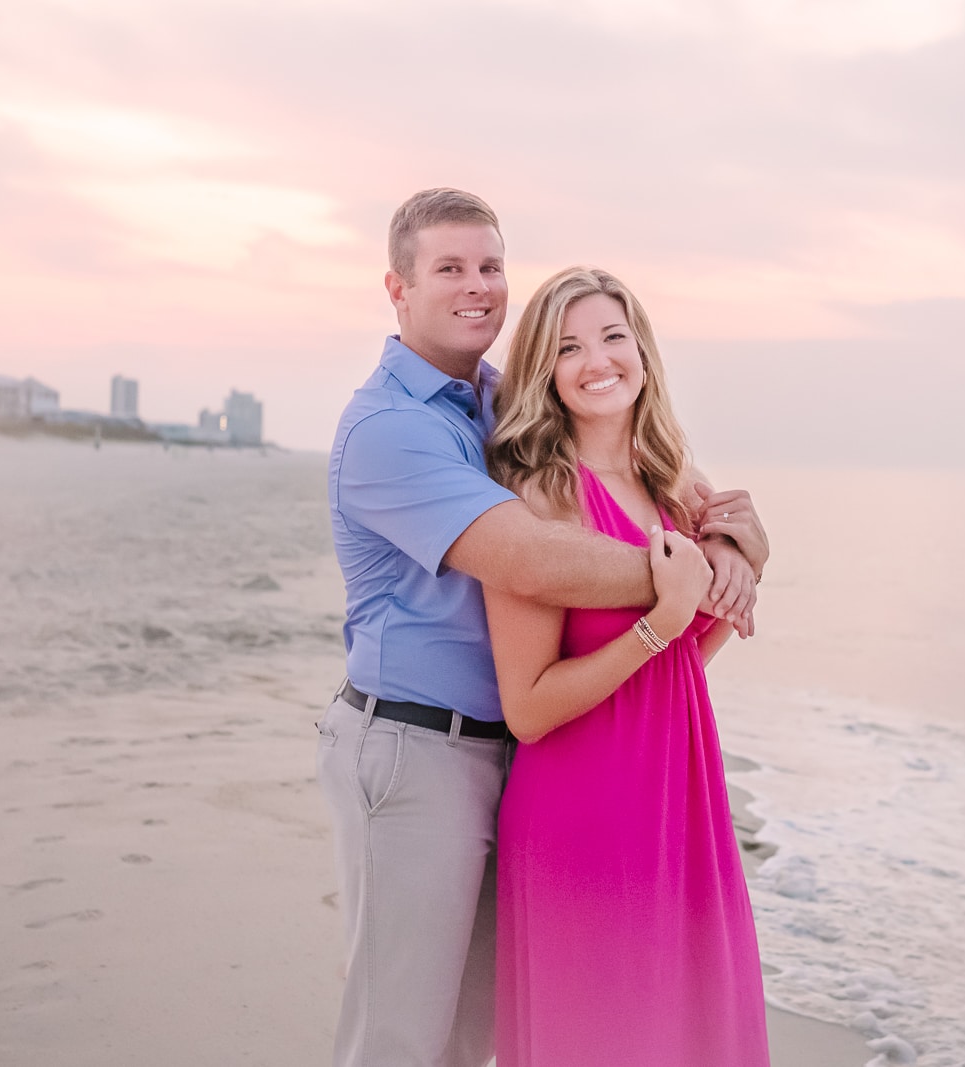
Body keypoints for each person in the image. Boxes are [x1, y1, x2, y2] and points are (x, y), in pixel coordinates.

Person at [317, 190, 768, 1067]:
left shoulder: (494, 401)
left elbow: (666, 483)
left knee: (478, 1029)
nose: (477, 286)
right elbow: (529, 559)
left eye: (490, 266)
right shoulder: (390, 428)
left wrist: (729, 546)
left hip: (516, 755)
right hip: (416, 751)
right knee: (402, 1036)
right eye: (448, 267)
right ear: (397, 286)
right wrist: (684, 578)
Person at [483, 267, 770, 1067]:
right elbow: (529, 708)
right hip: (584, 813)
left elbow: (680, 665)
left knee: (686, 1035)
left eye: (613, 335)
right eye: (568, 346)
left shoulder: (679, 490)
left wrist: (746, 564)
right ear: (545, 370)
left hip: (682, 800)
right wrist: (661, 623)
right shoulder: (537, 499)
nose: (596, 359)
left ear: (642, 350)